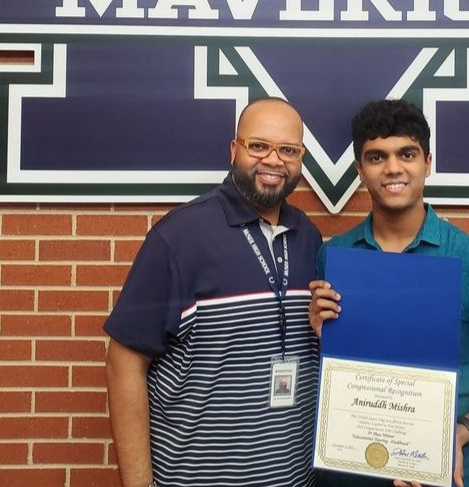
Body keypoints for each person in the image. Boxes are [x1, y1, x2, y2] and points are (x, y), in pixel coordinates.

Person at [310, 99, 469, 487]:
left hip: (451, 474)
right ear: (359, 170)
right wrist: (321, 335)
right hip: (352, 472)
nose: (392, 168)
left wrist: (462, 431)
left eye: (407, 153)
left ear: (428, 162)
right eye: (376, 157)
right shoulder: (334, 257)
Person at [105, 97, 321, 487]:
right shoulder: (179, 236)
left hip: (292, 479)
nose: (274, 160)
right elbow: (124, 364)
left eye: (288, 150)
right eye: (259, 146)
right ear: (234, 149)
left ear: (301, 157)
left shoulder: (308, 237)